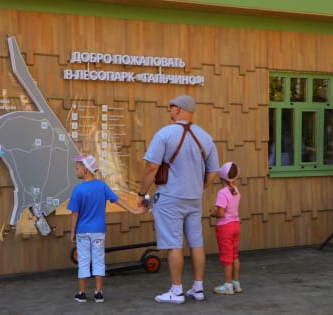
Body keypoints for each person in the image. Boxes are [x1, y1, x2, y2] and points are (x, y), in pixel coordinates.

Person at [137, 95, 219, 304]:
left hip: (171, 197)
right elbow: (212, 173)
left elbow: (151, 167)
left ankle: (176, 291)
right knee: (196, 243)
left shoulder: (165, 134)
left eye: (171, 107)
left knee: (174, 244)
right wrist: (199, 187)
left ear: (179, 110)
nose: (169, 110)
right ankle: (198, 288)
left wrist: (142, 193)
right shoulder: (206, 137)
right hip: (194, 198)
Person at [68, 154, 145, 303]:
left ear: (85, 170)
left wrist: (72, 231)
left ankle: (82, 293)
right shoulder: (102, 186)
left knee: (83, 261)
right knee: (98, 260)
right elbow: (118, 200)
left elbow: (74, 214)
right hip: (99, 231)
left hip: (82, 231)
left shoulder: (78, 190)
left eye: (77, 168)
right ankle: (98, 293)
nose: (76, 171)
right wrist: (134, 211)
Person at [210, 161, 243, 295]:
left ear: (221, 176)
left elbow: (221, 213)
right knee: (235, 255)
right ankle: (236, 283)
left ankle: (228, 285)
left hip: (225, 228)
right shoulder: (236, 190)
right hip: (236, 225)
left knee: (226, 257)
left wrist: (213, 213)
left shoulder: (222, 193)